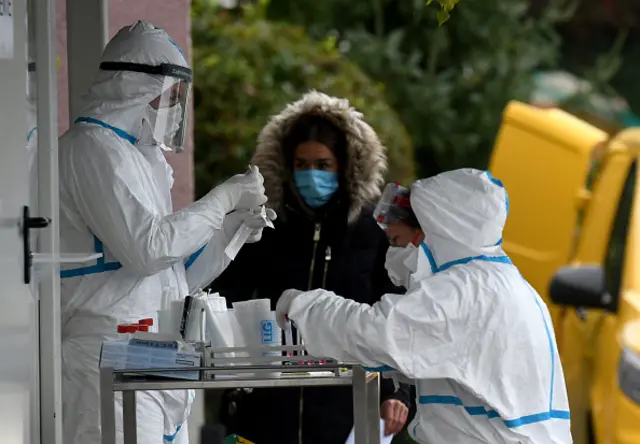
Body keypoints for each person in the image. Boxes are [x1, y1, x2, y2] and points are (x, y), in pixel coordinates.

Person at [57, 21, 273, 444]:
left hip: (149, 356)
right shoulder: (91, 148)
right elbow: (148, 249)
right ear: (133, 87)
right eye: (169, 96)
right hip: (106, 358)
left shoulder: (140, 158)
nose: (172, 109)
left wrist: (231, 233)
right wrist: (222, 199)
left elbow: (174, 277)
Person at [276, 168, 573, 444]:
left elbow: (375, 335)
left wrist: (306, 305)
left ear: (432, 233)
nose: (396, 255)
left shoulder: (462, 291)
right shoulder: (502, 283)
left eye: (398, 241)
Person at [209, 91, 411, 443]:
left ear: (346, 167)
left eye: (323, 165)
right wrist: (233, 383)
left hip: (347, 408)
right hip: (267, 407)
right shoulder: (264, 225)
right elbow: (225, 299)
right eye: (301, 165)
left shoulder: (373, 232)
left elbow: (397, 315)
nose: (311, 175)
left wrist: (397, 393)